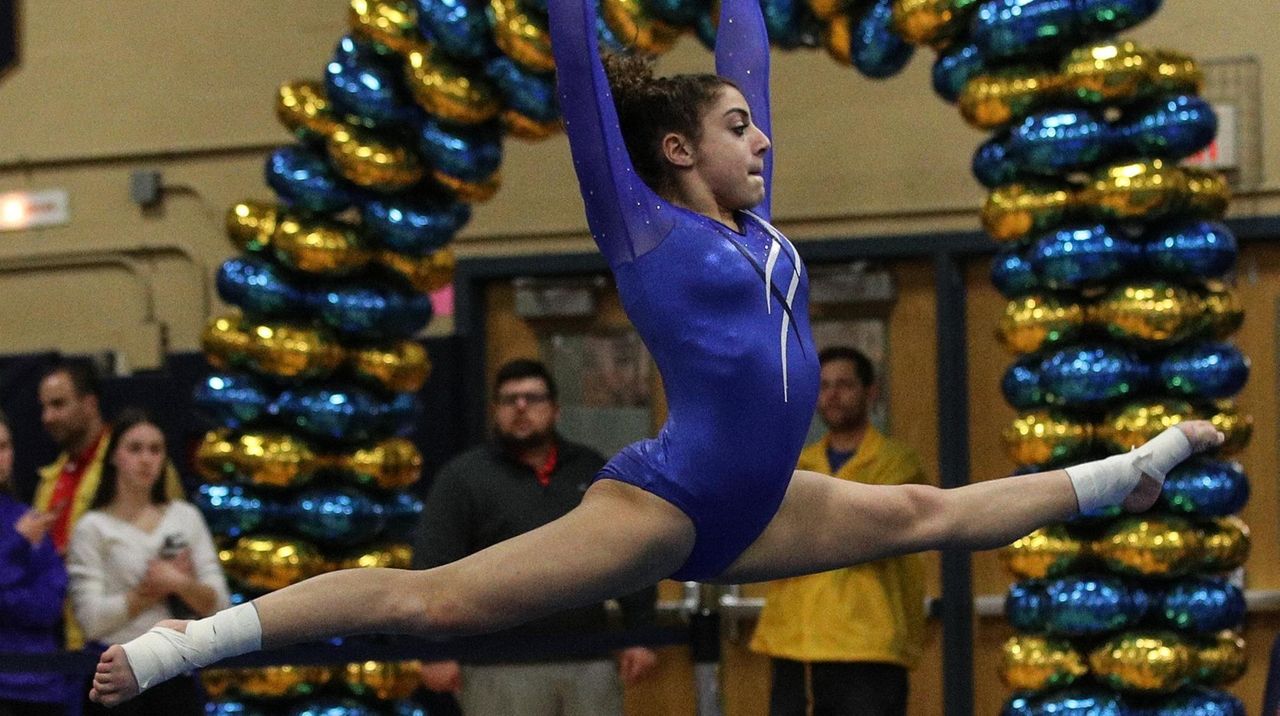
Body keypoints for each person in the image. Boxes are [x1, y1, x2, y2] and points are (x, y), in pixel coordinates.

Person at [86, 0, 1225, 704]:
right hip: (667, 502)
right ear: (677, 147)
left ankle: (1118, 473)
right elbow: (579, 64)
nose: (762, 133)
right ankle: (187, 643)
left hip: (766, 500)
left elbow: (744, 42)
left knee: (924, 510)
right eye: (738, 127)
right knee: (435, 606)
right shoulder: (643, 225)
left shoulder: (757, 224)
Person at [415, 359, 658, 714]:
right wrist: (435, 650)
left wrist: (640, 634)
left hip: (588, 657)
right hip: (496, 664)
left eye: (533, 398)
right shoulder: (463, 478)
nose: (521, 408)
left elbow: (626, 552)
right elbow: (433, 563)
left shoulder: (593, 469)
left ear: (556, 409)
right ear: (495, 411)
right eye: (509, 400)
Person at [751, 347, 926, 716]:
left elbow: (869, 531)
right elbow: (765, 529)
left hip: (867, 644)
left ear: (871, 391)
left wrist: (803, 524)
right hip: (792, 642)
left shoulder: (897, 463)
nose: (831, 395)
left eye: (844, 384)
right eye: (824, 386)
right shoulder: (796, 464)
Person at [66, 409, 229, 714]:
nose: (146, 459)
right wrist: (147, 592)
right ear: (113, 456)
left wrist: (178, 583)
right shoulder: (93, 527)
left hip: (176, 673)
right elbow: (91, 620)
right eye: (135, 448)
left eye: (156, 449)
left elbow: (221, 605)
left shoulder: (185, 517)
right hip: (113, 675)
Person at [34, 361, 185, 650]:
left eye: (58, 405)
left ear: (89, 404)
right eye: (44, 407)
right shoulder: (50, 478)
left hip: (138, 636)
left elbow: (178, 539)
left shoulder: (140, 463)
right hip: (71, 640)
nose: (48, 417)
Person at [0, 409, 70, 716]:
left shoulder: (28, 519)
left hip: (41, 687)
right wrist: (15, 547)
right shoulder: (24, 531)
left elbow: (48, 606)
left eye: (3, 446)